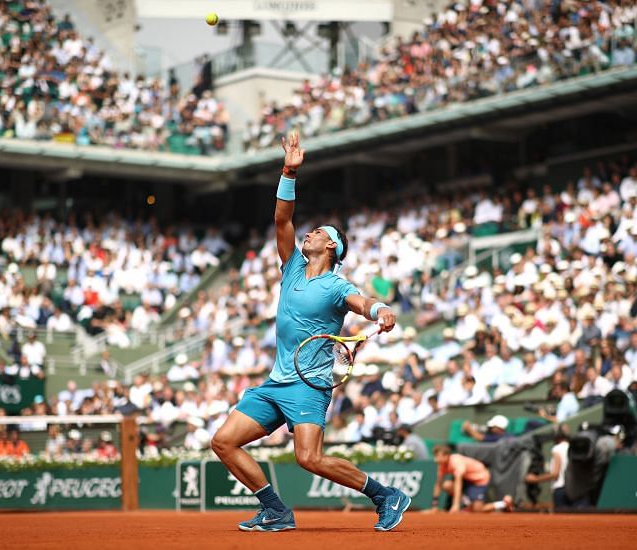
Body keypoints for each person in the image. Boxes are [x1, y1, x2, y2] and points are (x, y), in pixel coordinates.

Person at [211, 132, 405, 533]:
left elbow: (364, 304)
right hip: (276, 382)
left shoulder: (337, 285)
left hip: (309, 383)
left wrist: (382, 309)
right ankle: (276, 511)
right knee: (223, 441)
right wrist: (289, 172)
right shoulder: (293, 267)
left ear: (332, 246)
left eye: (319, 232)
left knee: (309, 459)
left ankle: (385, 495)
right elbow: (282, 218)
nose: (309, 233)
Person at [432, 445, 513, 513]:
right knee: (447, 485)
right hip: (468, 480)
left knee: (478, 510)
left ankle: (504, 503)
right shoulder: (441, 465)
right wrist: (434, 506)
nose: (436, 459)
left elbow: (458, 482)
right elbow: (438, 483)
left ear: (446, 456)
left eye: (438, 456)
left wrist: (455, 505)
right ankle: (467, 504)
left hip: (480, 480)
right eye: (435, 456)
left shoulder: (456, 461)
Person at [524, 424, 570, 511]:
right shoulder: (570, 447)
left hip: (559, 489)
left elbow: (555, 474)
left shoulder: (557, 449)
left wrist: (535, 479)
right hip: (571, 489)